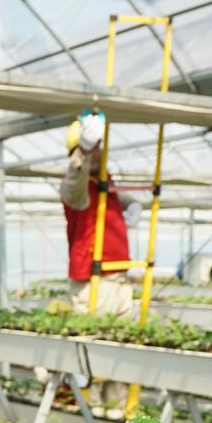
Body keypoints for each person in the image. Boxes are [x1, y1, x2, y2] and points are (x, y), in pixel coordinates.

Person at [59, 109, 144, 318]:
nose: (95, 153)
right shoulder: (76, 188)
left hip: (119, 275)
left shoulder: (104, 182)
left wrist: (132, 203)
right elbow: (74, 178)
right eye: (89, 148)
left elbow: (119, 197)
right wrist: (83, 152)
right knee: (96, 339)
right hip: (93, 280)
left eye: (98, 147)